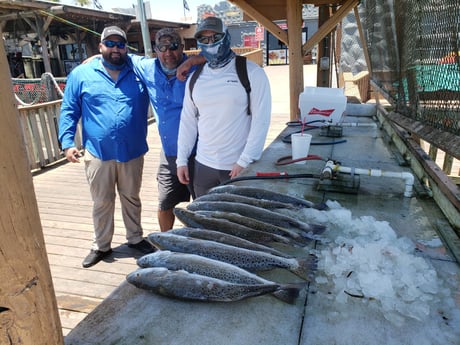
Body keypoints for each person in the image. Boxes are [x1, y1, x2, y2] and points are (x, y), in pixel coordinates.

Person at [58, 26, 155, 268]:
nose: (115, 49)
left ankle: (135, 238)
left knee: (131, 197)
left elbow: (162, 66)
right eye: (109, 44)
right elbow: (69, 110)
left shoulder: (138, 70)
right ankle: (101, 245)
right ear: (100, 46)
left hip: (132, 150)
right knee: (102, 201)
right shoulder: (81, 73)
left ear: (126, 48)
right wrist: (67, 142)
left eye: (120, 44)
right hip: (98, 152)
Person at [176, 16, 272, 197]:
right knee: (203, 221)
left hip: (238, 168)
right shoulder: (194, 79)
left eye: (215, 37)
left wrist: (244, 160)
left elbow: (262, 120)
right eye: (204, 39)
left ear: (226, 37)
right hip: (203, 166)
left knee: (237, 222)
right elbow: (188, 122)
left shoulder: (252, 72)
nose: (210, 43)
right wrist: (181, 160)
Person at [128, 28, 204, 231]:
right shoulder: (147, 67)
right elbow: (125, 57)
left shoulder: (197, 68)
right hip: (169, 151)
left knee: (202, 206)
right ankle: (167, 246)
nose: (168, 53)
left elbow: (222, 54)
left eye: (173, 47)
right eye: (162, 48)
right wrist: (97, 56)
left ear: (182, 47)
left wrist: (193, 61)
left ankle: (204, 247)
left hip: (198, 152)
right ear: (155, 50)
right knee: (164, 203)